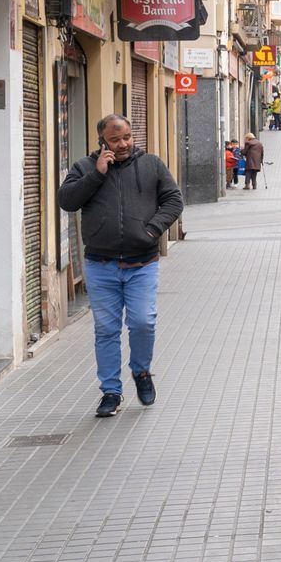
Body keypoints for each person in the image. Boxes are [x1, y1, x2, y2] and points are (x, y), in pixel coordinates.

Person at [59, 114, 183, 418]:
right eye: (115, 139)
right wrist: (97, 175)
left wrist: (152, 230)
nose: (123, 143)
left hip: (142, 263)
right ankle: (111, 391)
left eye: (127, 137)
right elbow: (67, 200)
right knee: (106, 330)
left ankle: (141, 372)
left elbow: (173, 200)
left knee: (143, 322)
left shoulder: (151, 165)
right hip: (101, 265)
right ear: (103, 141)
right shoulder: (85, 167)